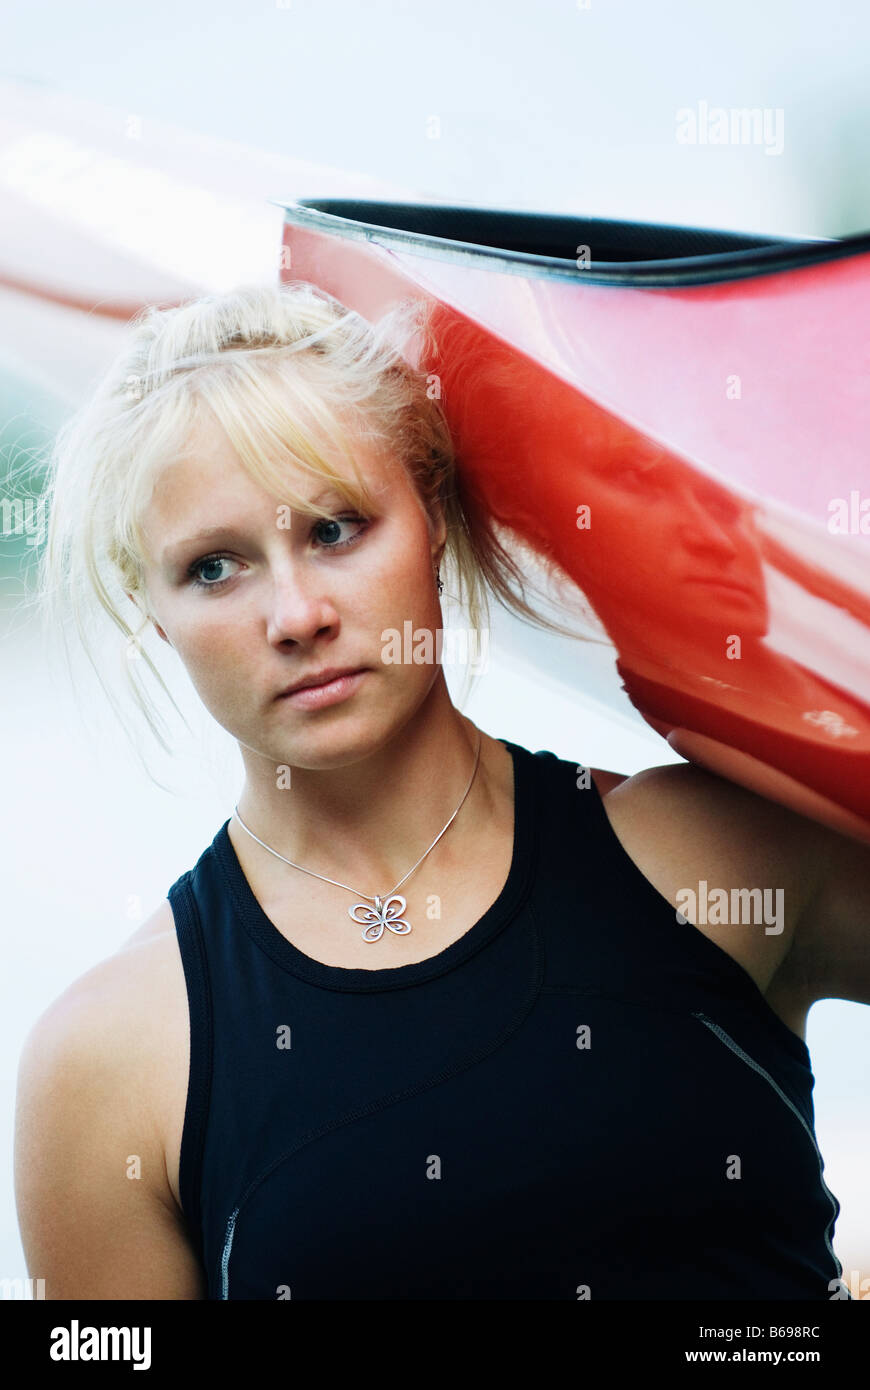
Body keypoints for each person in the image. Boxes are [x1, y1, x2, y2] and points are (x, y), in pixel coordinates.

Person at [14, 283, 869, 1300]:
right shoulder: (112, 1060)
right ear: (151, 610)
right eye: (215, 567)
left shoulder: (714, 854)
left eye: (335, 529)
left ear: (431, 509)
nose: (296, 614)